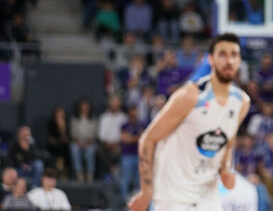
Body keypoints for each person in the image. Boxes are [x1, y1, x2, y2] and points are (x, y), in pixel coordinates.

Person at [127, 33, 250, 211]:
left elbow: (228, 141)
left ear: (240, 60)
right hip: (173, 197)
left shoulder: (242, 102)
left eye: (234, 55)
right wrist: (146, 191)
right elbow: (148, 139)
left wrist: (225, 169)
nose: (229, 60)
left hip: (208, 197)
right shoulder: (190, 96)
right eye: (222, 54)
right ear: (211, 59)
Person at [69, 98, 98, 182]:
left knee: (90, 150)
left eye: (86, 107)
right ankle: (79, 173)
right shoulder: (75, 119)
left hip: (90, 142)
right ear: (80, 108)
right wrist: (78, 142)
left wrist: (88, 142)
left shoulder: (93, 119)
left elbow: (95, 134)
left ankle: (90, 173)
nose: (85, 109)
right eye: (83, 107)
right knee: (74, 148)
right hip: (77, 142)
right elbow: (73, 134)